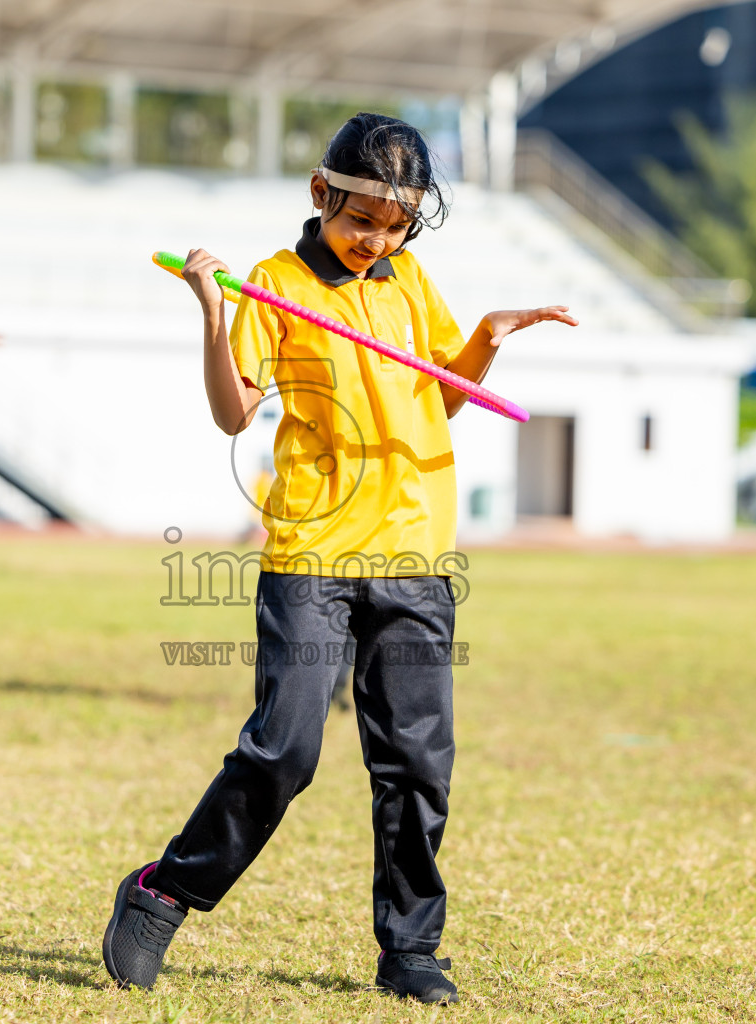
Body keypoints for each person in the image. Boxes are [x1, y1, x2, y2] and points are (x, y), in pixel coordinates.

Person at [100, 113, 577, 1003]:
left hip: (415, 556)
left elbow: (443, 394)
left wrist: (485, 337)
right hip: (313, 555)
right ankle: (165, 889)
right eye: (362, 221)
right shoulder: (276, 287)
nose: (376, 242)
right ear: (322, 196)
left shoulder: (405, 280)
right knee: (283, 752)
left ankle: (411, 949)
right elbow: (234, 414)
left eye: (395, 228)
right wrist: (214, 311)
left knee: (416, 765)